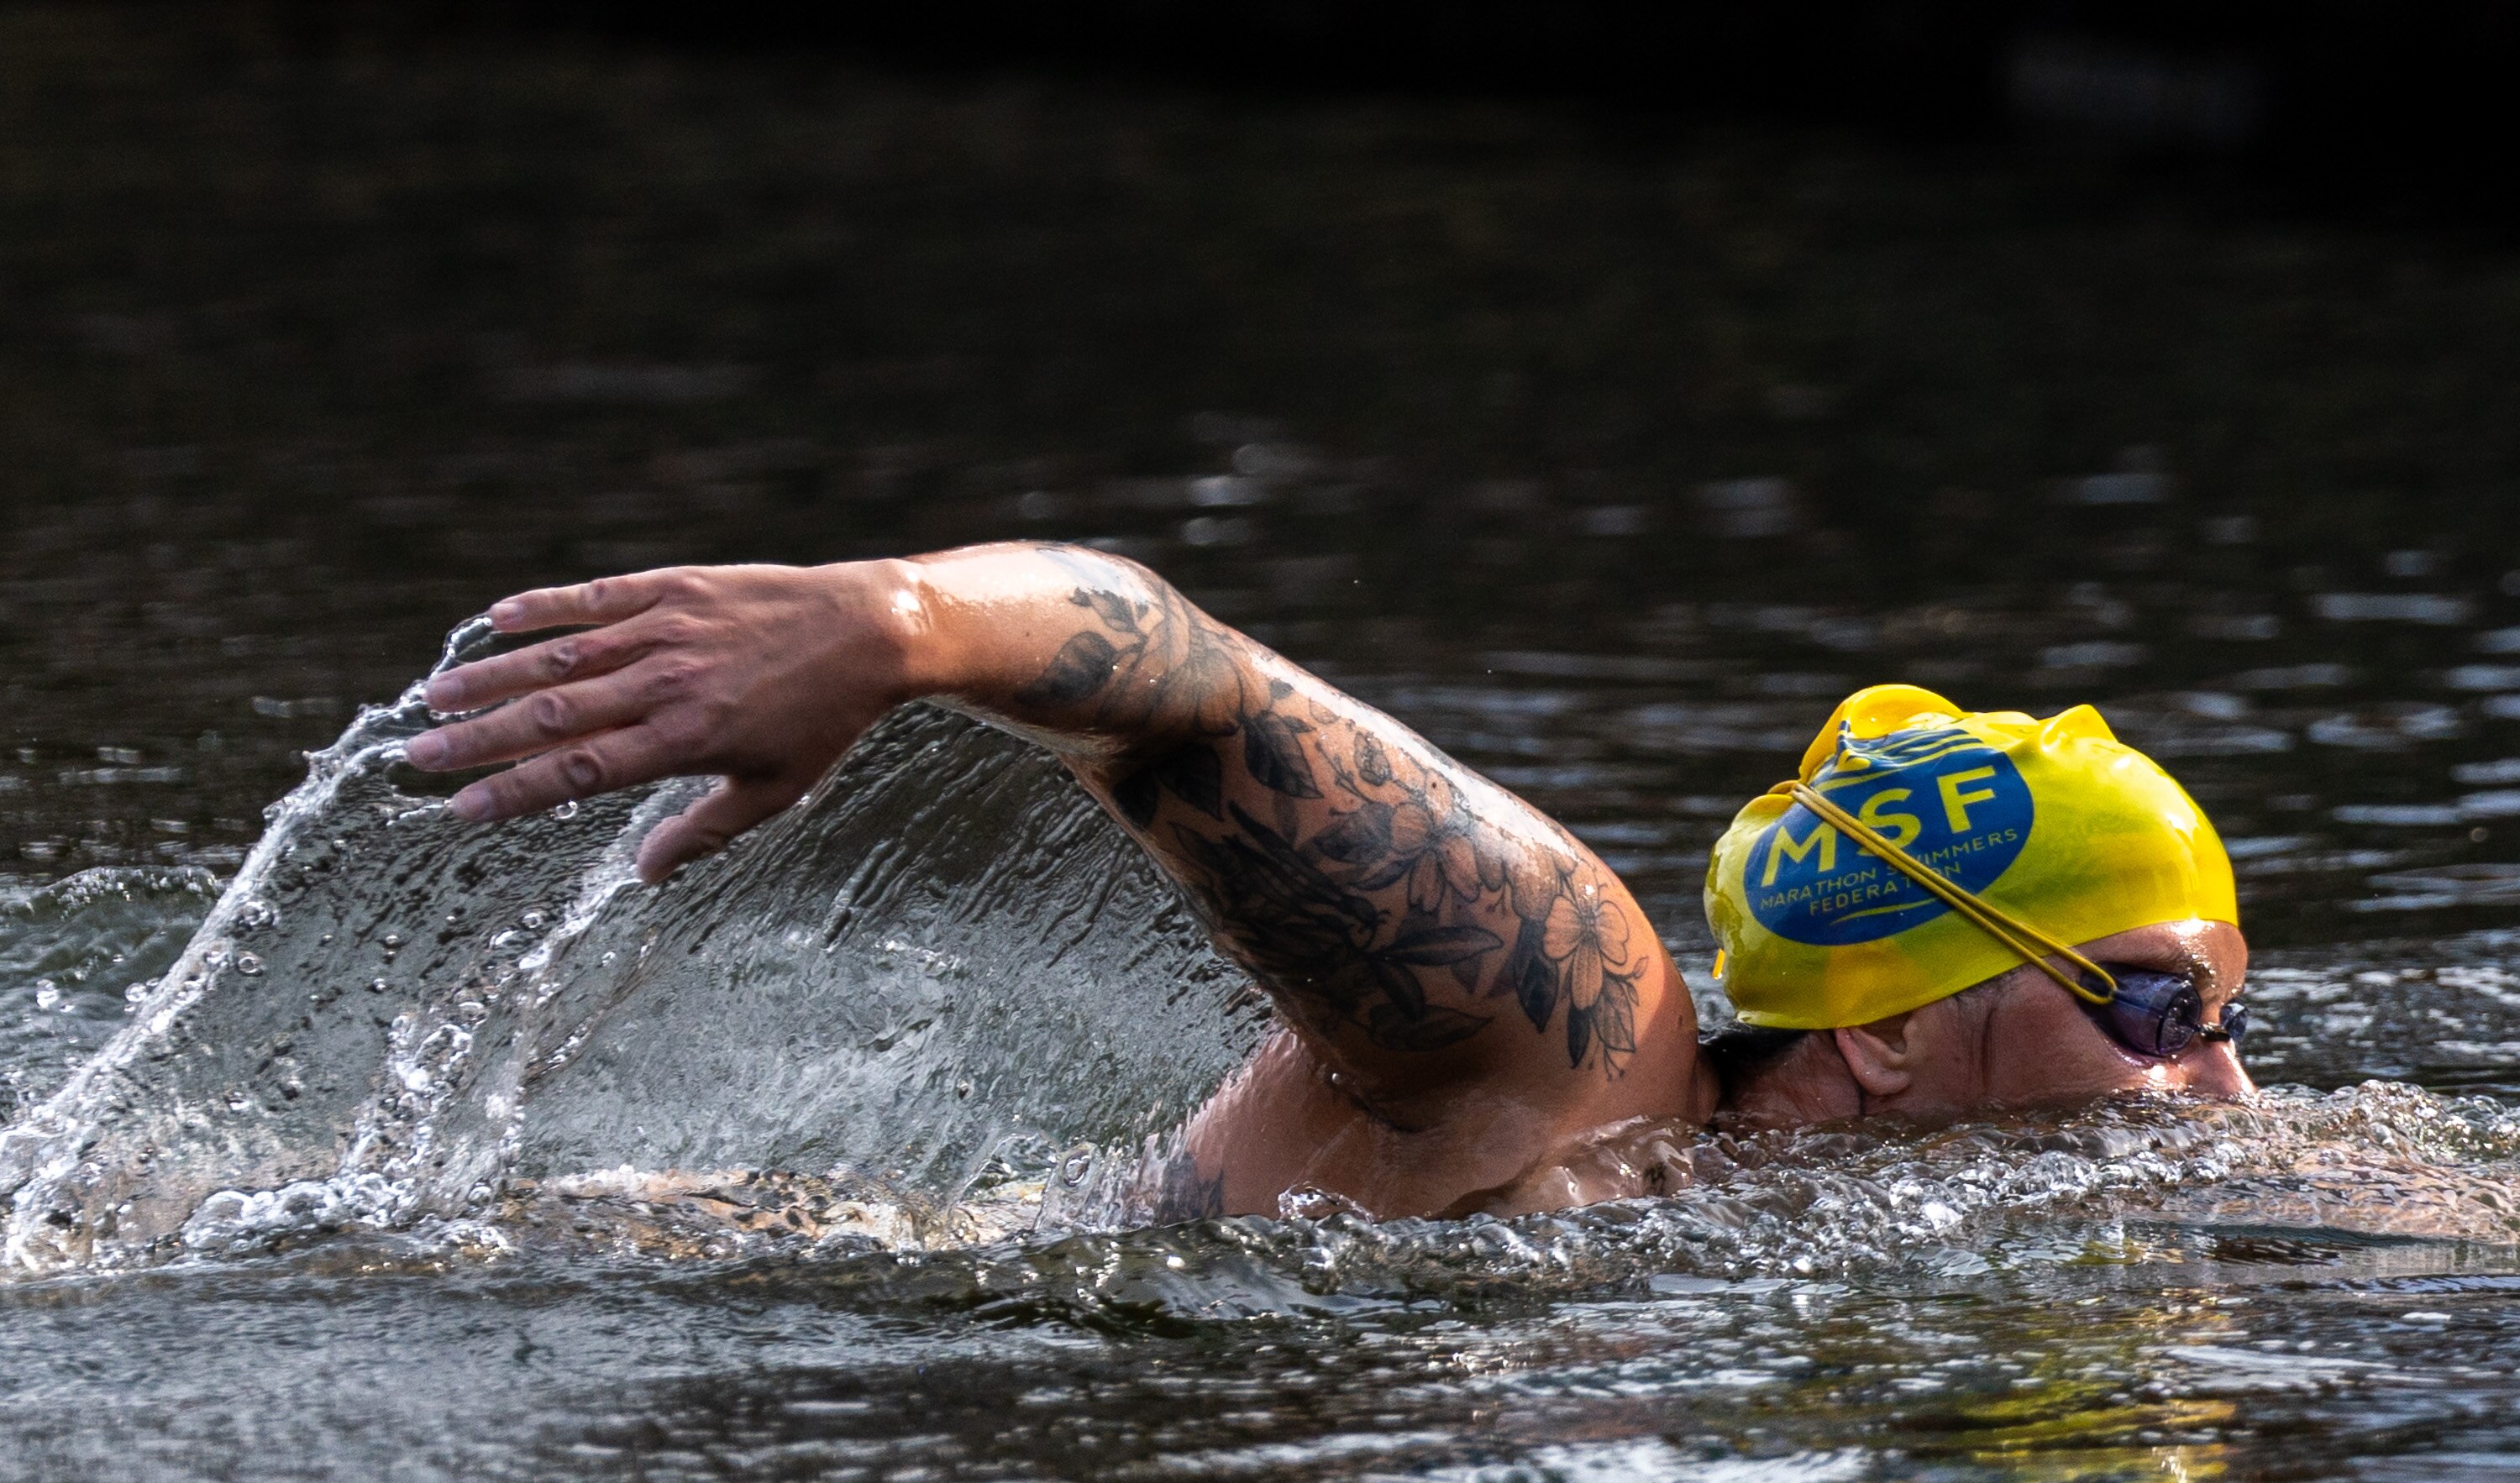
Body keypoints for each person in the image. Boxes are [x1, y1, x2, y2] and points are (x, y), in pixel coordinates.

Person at [405, 543, 2252, 1219]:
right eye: (2161, 1008)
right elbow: (1195, 690)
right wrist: (896, 625)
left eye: (2229, 1017)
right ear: (1902, 1033)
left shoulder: (1806, 1194)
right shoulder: (1576, 1032)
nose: (2217, 1083)